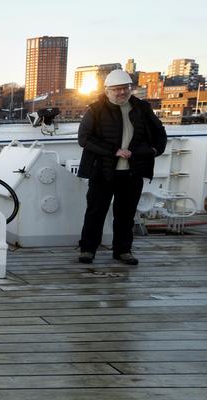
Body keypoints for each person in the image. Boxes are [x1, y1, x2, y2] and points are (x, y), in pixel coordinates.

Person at [77, 69, 167, 265]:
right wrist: (114, 150)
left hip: (132, 171)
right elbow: (84, 138)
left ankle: (123, 250)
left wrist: (153, 150)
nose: (121, 93)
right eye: (116, 89)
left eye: (125, 88)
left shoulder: (142, 108)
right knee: (96, 211)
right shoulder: (96, 109)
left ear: (130, 89)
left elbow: (159, 133)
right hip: (103, 170)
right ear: (107, 90)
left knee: (126, 213)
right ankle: (87, 249)